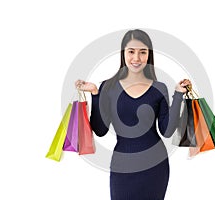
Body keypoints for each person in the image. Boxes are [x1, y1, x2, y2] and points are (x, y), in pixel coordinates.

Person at [75, 29, 191, 200]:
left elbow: (167, 131)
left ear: (148, 55)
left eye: (142, 52)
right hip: (123, 166)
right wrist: (95, 93)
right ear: (123, 54)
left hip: (155, 166)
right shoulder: (108, 87)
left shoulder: (159, 88)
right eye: (131, 52)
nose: (136, 58)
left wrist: (179, 94)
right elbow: (100, 130)